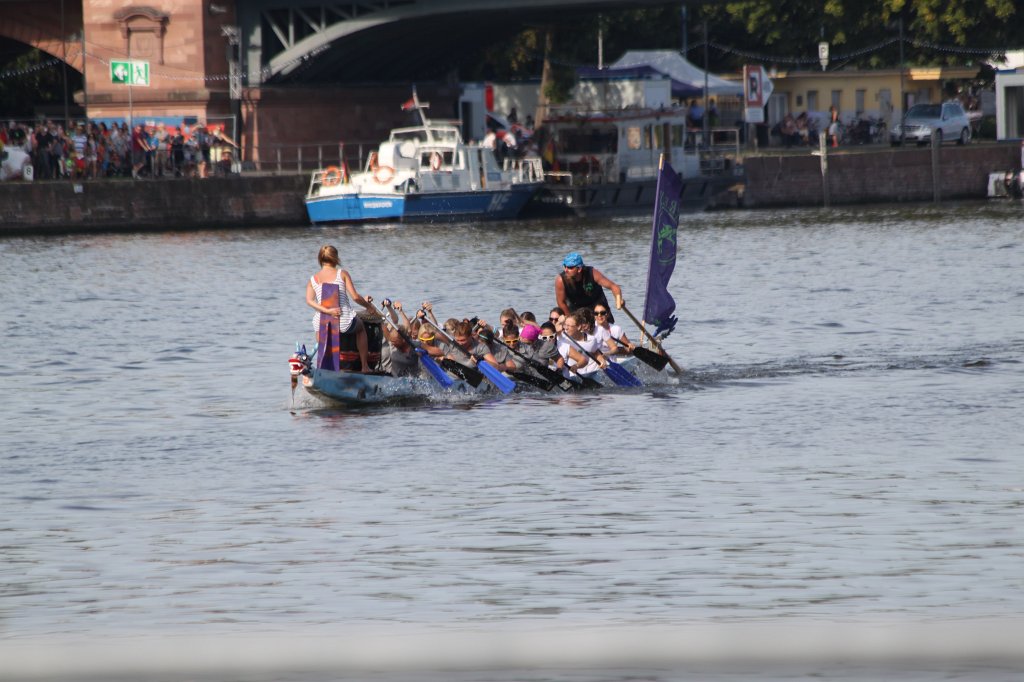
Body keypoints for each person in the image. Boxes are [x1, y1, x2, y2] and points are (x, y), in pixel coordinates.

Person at [304, 244, 372, 373]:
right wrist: (369, 306)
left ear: (320, 259)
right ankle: (364, 366)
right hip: (343, 320)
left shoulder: (313, 279)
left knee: (319, 331)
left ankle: (325, 367)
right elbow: (356, 297)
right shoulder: (342, 274)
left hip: (322, 324)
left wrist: (326, 311)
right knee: (361, 327)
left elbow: (309, 301)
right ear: (336, 258)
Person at [554, 251, 624, 316]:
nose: (566, 270)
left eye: (570, 267)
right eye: (564, 266)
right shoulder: (560, 280)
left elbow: (614, 287)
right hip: (576, 309)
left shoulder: (592, 273)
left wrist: (618, 300)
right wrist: (569, 318)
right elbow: (561, 302)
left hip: (598, 307)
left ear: (579, 269)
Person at [558, 310, 608, 377]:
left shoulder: (591, 340)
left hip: (583, 374)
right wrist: (559, 322)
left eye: (569, 326)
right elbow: (555, 330)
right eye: (565, 325)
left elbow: (595, 352)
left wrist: (602, 361)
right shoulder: (562, 337)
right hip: (568, 374)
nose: (566, 328)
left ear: (578, 327)